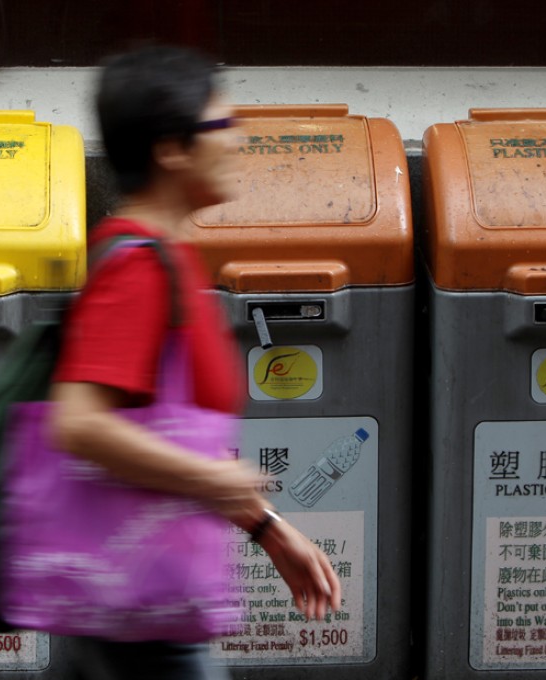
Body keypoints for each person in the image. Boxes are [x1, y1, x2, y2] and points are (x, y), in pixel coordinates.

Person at [47, 45, 341, 680]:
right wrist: (219, 484)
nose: (235, 142)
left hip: (153, 604)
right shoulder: (138, 268)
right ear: (171, 149)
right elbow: (80, 424)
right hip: (143, 619)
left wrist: (266, 528)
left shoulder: (168, 260)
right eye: (220, 126)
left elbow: (165, 430)